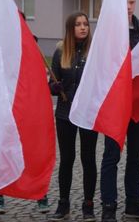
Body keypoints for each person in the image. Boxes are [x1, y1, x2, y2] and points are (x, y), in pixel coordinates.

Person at [100, 0, 139, 222]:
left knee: (136, 157)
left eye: (132, 2)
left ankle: (133, 203)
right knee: (111, 157)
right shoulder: (108, 32)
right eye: (124, 2)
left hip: (138, 106)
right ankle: (108, 206)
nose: (128, 6)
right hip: (115, 106)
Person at [0, 13, 49, 215]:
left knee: (34, 152)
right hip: (5, 112)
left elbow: (39, 78)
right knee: (0, 152)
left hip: (28, 110)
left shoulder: (32, 45)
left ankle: (40, 194)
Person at [48, 12, 98, 221]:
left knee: (88, 158)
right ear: (71, 28)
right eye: (78, 24)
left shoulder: (95, 51)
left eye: (85, 24)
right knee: (67, 159)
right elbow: (51, 85)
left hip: (88, 113)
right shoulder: (61, 52)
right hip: (65, 114)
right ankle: (63, 204)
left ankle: (88, 204)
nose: (83, 27)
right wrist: (55, 86)